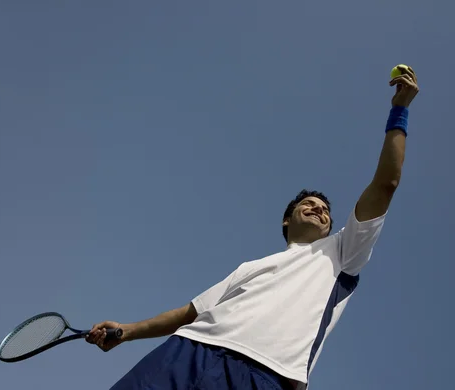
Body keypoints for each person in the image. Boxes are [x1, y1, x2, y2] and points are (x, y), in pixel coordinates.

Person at [87, 66, 420, 389]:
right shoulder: (250, 267)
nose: (318, 209)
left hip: (266, 376)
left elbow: (386, 183)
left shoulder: (343, 253)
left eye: (326, 211)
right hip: (186, 352)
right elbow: (188, 313)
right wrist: (127, 330)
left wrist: (399, 112)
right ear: (287, 220)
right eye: (309, 204)